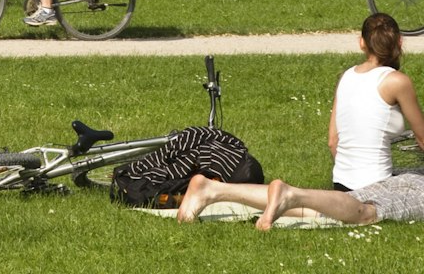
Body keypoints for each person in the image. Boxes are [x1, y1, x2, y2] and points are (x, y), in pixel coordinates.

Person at [177, 13, 424, 229]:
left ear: (361, 43)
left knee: (304, 202)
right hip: (369, 186)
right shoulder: (397, 81)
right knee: (393, 199)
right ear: (400, 43)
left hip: (342, 182)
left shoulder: (348, 76)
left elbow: (332, 141)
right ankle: (291, 194)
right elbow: (422, 137)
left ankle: (214, 190)